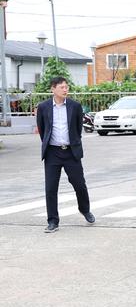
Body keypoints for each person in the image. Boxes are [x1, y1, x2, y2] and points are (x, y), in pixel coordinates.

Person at [36, 77, 95, 233]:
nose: (65, 89)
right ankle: (52, 221)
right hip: (52, 153)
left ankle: (85, 209)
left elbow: (77, 128)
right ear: (53, 89)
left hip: (71, 152)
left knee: (79, 185)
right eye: (62, 87)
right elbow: (42, 129)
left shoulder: (75, 106)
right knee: (50, 188)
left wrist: (73, 144)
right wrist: (49, 145)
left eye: (66, 87)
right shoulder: (43, 107)